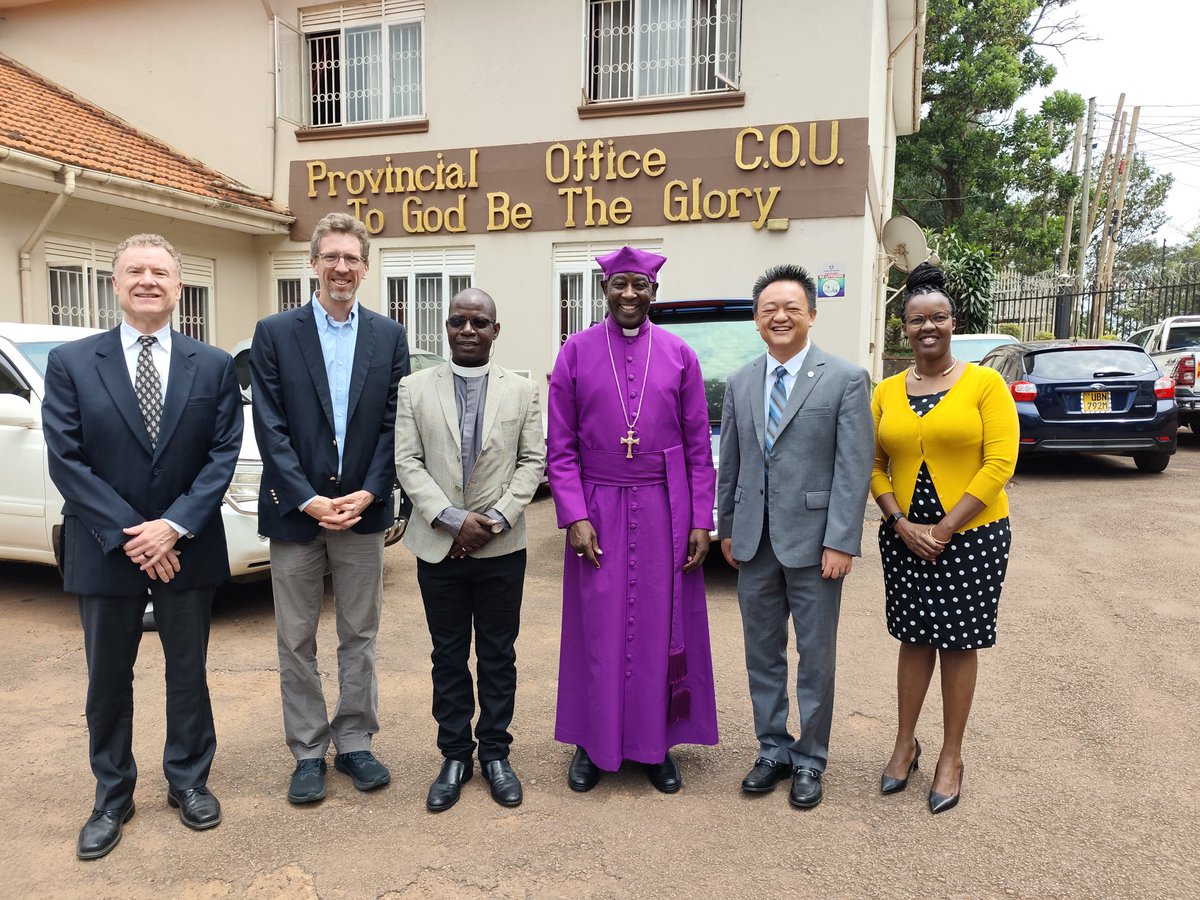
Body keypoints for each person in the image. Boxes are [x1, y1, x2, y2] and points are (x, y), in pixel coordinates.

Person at [42, 234, 242, 859]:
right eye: (135, 271)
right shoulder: (72, 362)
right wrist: (137, 533)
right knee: (107, 679)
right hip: (106, 548)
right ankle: (112, 794)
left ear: (178, 287)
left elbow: (221, 456)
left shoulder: (211, 365)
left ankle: (188, 781)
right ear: (116, 283)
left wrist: (173, 526)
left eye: (160, 271)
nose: (148, 280)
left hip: (188, 546)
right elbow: (67, 460)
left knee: (188, 674)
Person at [249, 212, 409, 804]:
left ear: (365, 269)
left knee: (358, 633)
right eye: (332, 256)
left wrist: (371, 490)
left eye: (352, 258)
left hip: (363, 512)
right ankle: (309, 751)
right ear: (313, 263)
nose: (342, 267)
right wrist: (309, 498)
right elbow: (269, 426)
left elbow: (397, 425)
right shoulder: (275, 333)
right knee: (295, 638)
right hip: (296, 514)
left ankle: (356, 742)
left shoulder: (387, 338)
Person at [547, 245, 717, 794]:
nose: (628, 294)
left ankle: (655, 744)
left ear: (653, 293)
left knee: (658, 627)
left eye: (638, 286)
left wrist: (698, 518)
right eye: (619, 284)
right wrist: (573, 513)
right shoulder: (575, 351)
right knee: (596, 629)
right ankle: (590, 744)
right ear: (605, 290)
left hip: (663, 505)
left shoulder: (679, 355)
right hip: (597, 505)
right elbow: (561, 446)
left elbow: (697, 446)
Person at [717, 263, 873, 810]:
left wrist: (841, 541)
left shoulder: (846, 378)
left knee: (816, 655)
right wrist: (728, 529)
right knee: (762, 652)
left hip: (815, 544)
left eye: (790, 308)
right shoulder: (739, 381)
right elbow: (730, 464)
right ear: (756, 321)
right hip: (754, 540)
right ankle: (772, 749)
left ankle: (810, 758)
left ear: (811, 313)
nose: (779, 316)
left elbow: (853, 469)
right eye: (768, 310)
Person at [871, 262, 1018, 814]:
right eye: (915, 319)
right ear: (903, 328)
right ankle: (905, 743)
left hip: (973, 534)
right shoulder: (886, 391)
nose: (927, 327)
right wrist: (899, 523)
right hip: (905, 535)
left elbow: (999, 463)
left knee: (959, 642)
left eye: (937, 317)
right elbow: (875, 465)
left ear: (953, 322)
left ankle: (951, 755)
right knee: (914, 637)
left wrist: (945, 527)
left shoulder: (985, 384)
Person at [395, 288, 546, 812]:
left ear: (495, 331)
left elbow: (533, 462)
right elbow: (408, 462)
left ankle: (497, 754)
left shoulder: (523, 391)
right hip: (438, 546)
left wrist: (496, 519)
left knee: (499, 654)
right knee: (448, 654)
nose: (467, 330)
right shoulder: (413, 389)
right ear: (446, 326)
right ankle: (455, 755)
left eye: (478, 322)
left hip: (502, 547)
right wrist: (453, 520)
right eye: (458, 320)